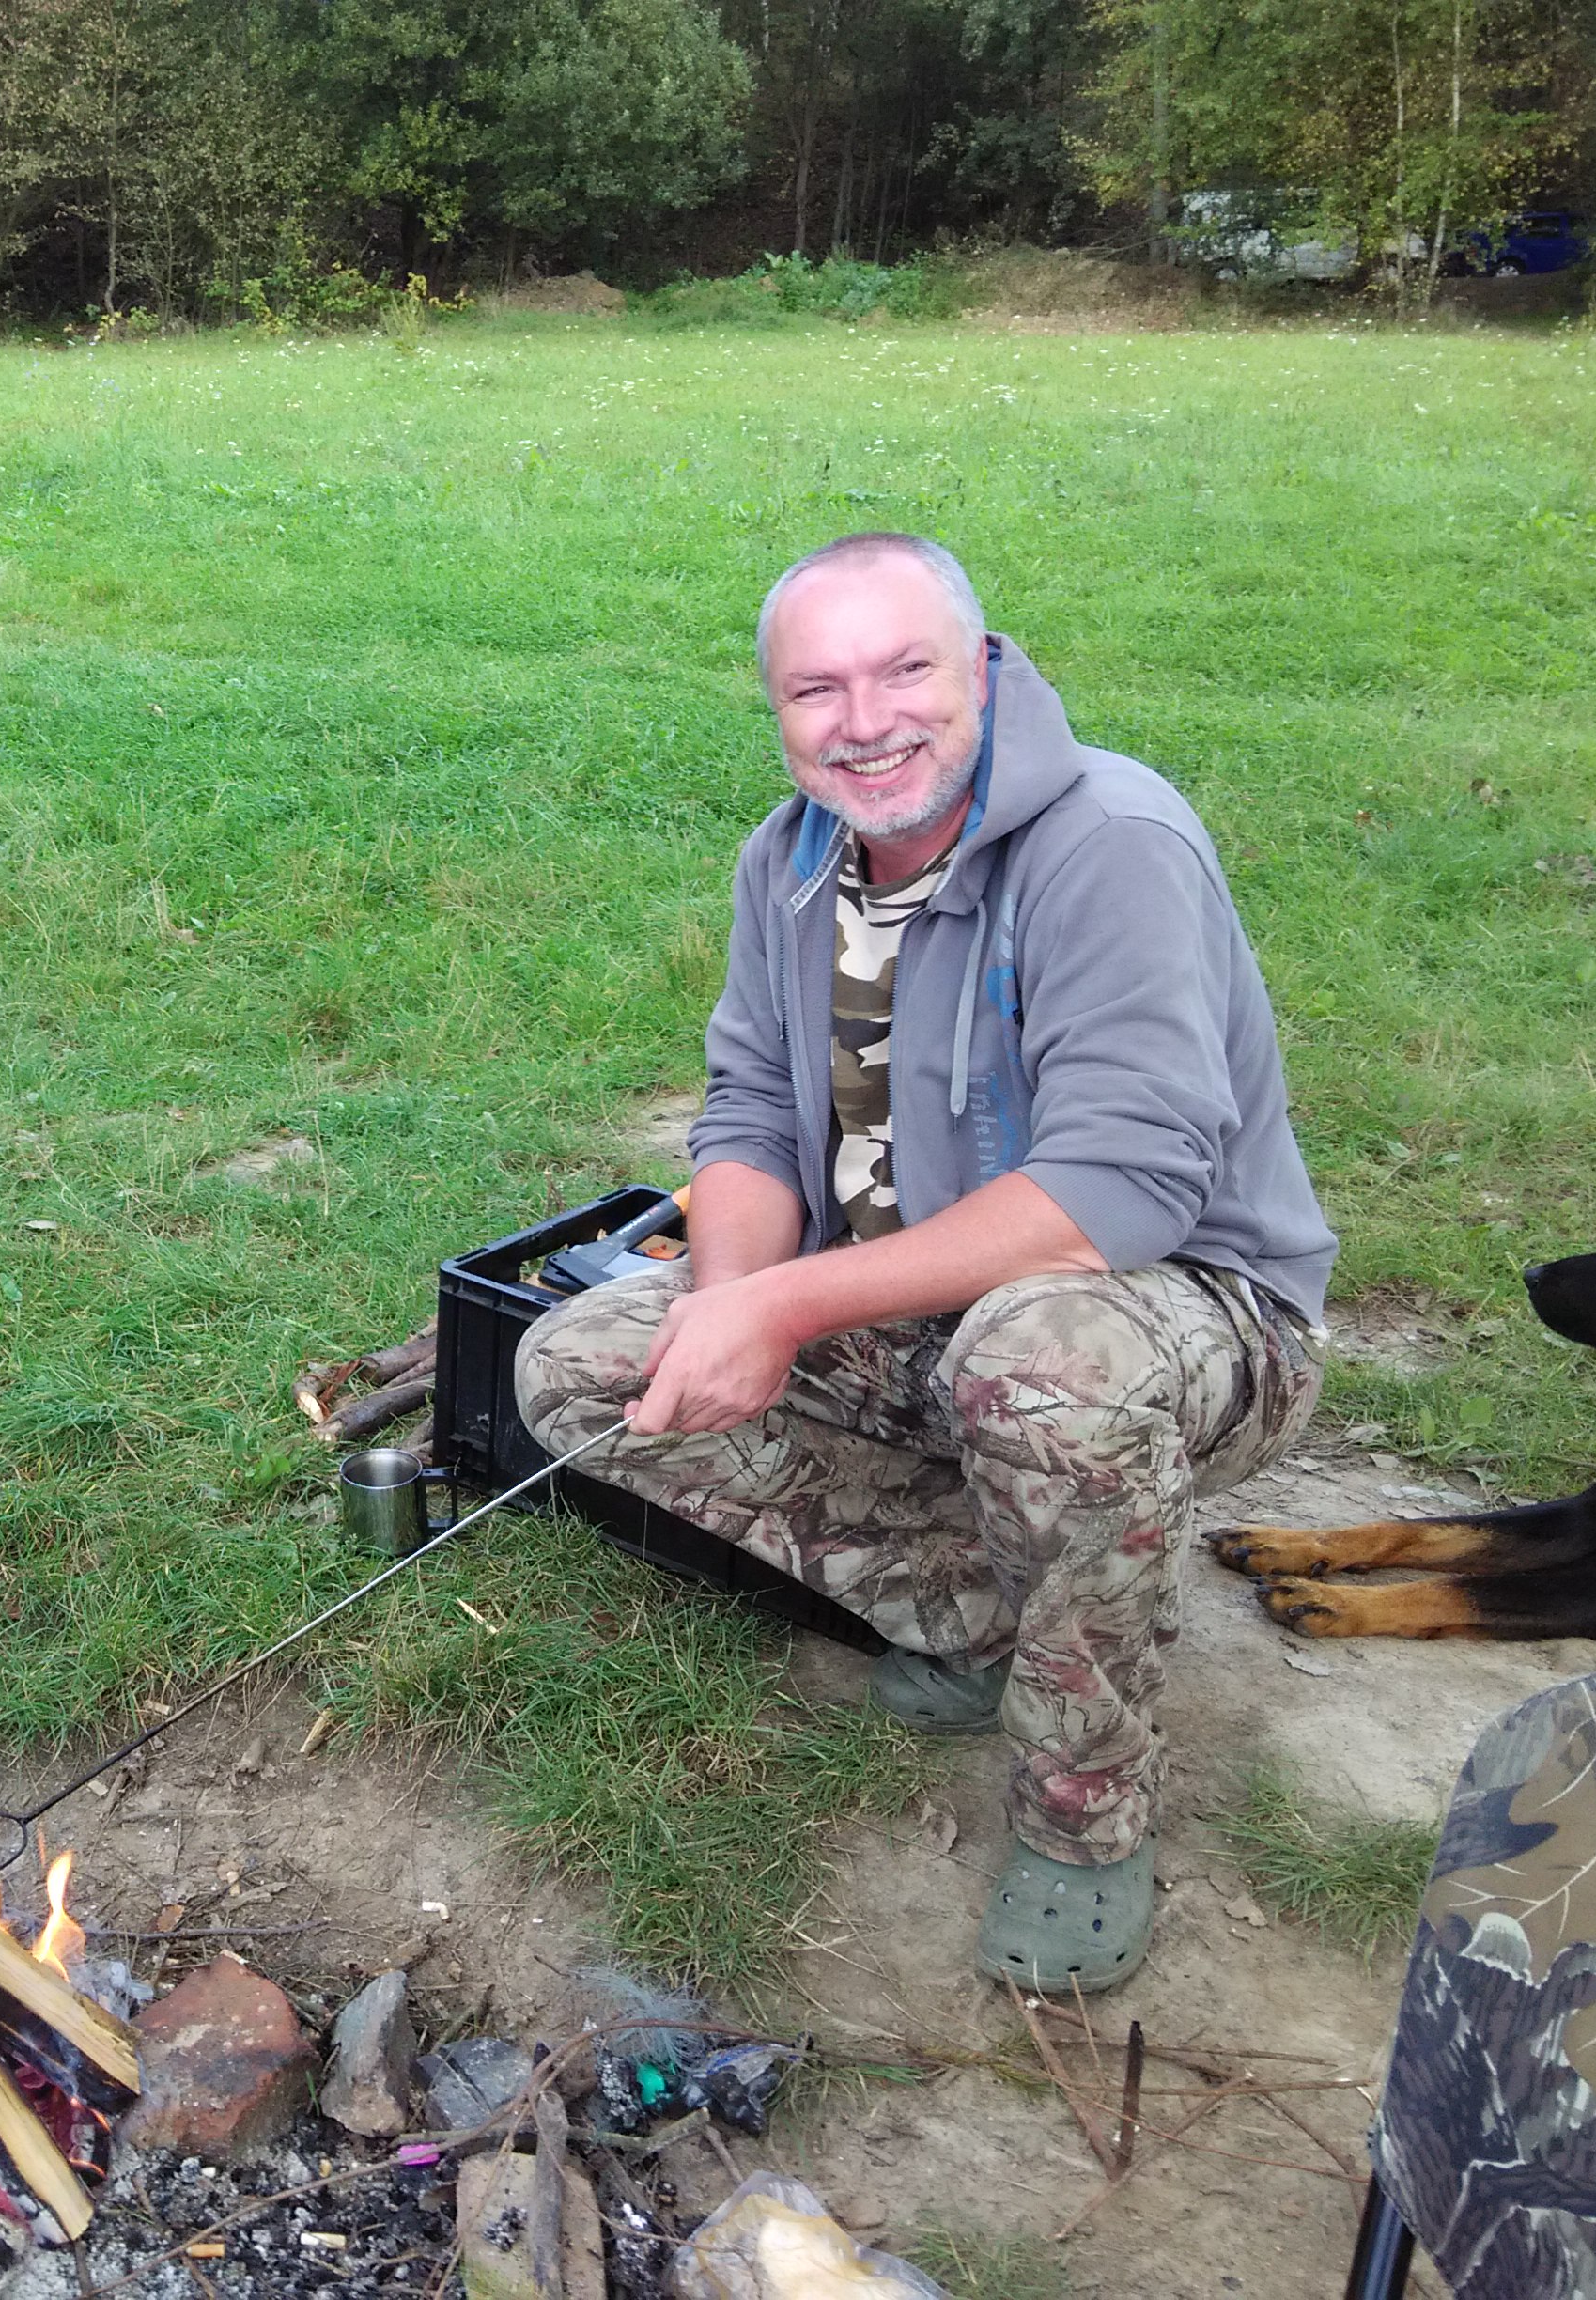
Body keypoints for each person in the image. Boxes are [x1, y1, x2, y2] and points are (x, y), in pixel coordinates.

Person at [517, 534, 1334, 1993]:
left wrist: (789, 1303)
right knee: (581, 1367)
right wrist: (728, 1307)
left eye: (904, 671)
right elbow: (750, 1115)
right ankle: (989, 1613)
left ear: (983, 670)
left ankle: (1086, 1811)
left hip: (1196, 1306)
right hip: (927, 1301)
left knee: (1040, 1374)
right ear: (778, 710)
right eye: (816, 689)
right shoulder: (787, 861)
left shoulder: (1111, 845)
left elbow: (1121, 1187)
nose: (865, 721)